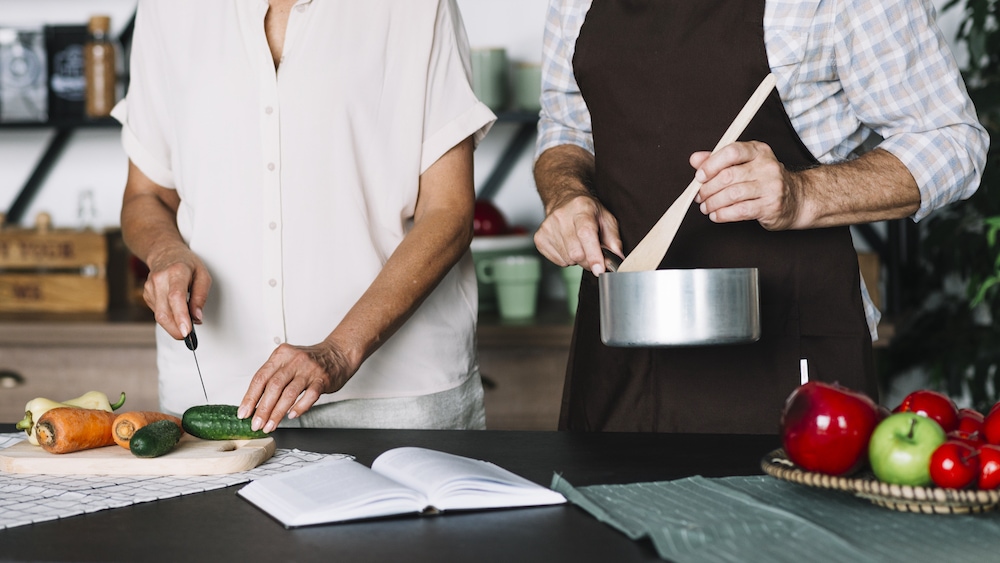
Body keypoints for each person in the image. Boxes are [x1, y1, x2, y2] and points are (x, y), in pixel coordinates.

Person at [534, 0, 989, 433]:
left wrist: (802, 194)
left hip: (785, 364)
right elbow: (566, 127)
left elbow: (952, 140)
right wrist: (566, 194)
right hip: (618, 359)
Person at [115, 0, 496, 432]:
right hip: (217, 397)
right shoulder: (167, 10)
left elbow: (448, 211)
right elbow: (146, 195)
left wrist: (339, 350)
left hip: (398, 393)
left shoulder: (419, 7)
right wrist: (165, 252)